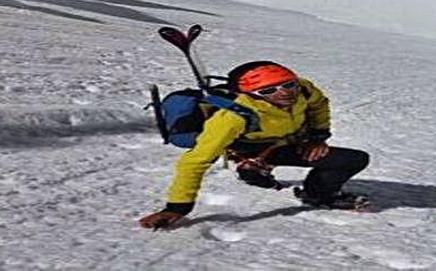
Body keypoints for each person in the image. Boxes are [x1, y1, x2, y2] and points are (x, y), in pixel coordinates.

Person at [139, 61, 370, 229]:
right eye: (268, 90)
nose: (284, 93)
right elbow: (194, 162)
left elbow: (319, 104)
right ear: (251, 94)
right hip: (252, 148)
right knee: (347, 159)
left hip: (291, 141)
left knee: (354, 159)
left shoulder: (304, 89)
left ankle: (316, 194)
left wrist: (317, 137)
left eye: (288, 85)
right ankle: (251, 164)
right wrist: (177, 207)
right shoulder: (233, 117)